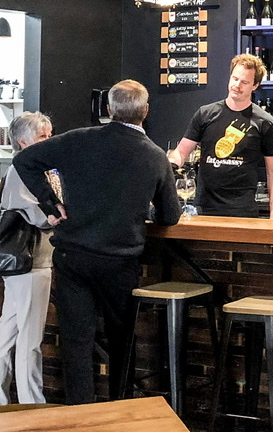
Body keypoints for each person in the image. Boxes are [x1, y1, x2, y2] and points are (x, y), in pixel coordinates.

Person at [13, 79, 181, 404]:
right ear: (145, 111)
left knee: (77, 343)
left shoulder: (78, 140)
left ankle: (81, 415)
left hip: (74, 257)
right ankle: (118, 410)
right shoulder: (155, 156)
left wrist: (51, 204)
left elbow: (24, 161)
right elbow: (169, 217)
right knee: (122, 341)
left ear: (108, 110)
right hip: (119, 261)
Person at [0, 111, 55, 405]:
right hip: (33, 262)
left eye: (50, 136)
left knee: (8, 332)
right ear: (23, 142)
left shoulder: (30, 168)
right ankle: (32, 404)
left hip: (25, 265)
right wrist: (62, 215)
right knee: (30, 339)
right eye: (43, 137)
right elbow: (40, 217)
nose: (49, 142)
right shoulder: (23, 170)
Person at [169, 53, 273, 219]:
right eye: (235, 78)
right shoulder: (205, 114)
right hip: (204, 209)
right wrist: (170, 164)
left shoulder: (265, 122)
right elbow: (181, 152)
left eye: (244, 82)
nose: (237, 85)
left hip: (243, 212)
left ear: (255, 85)